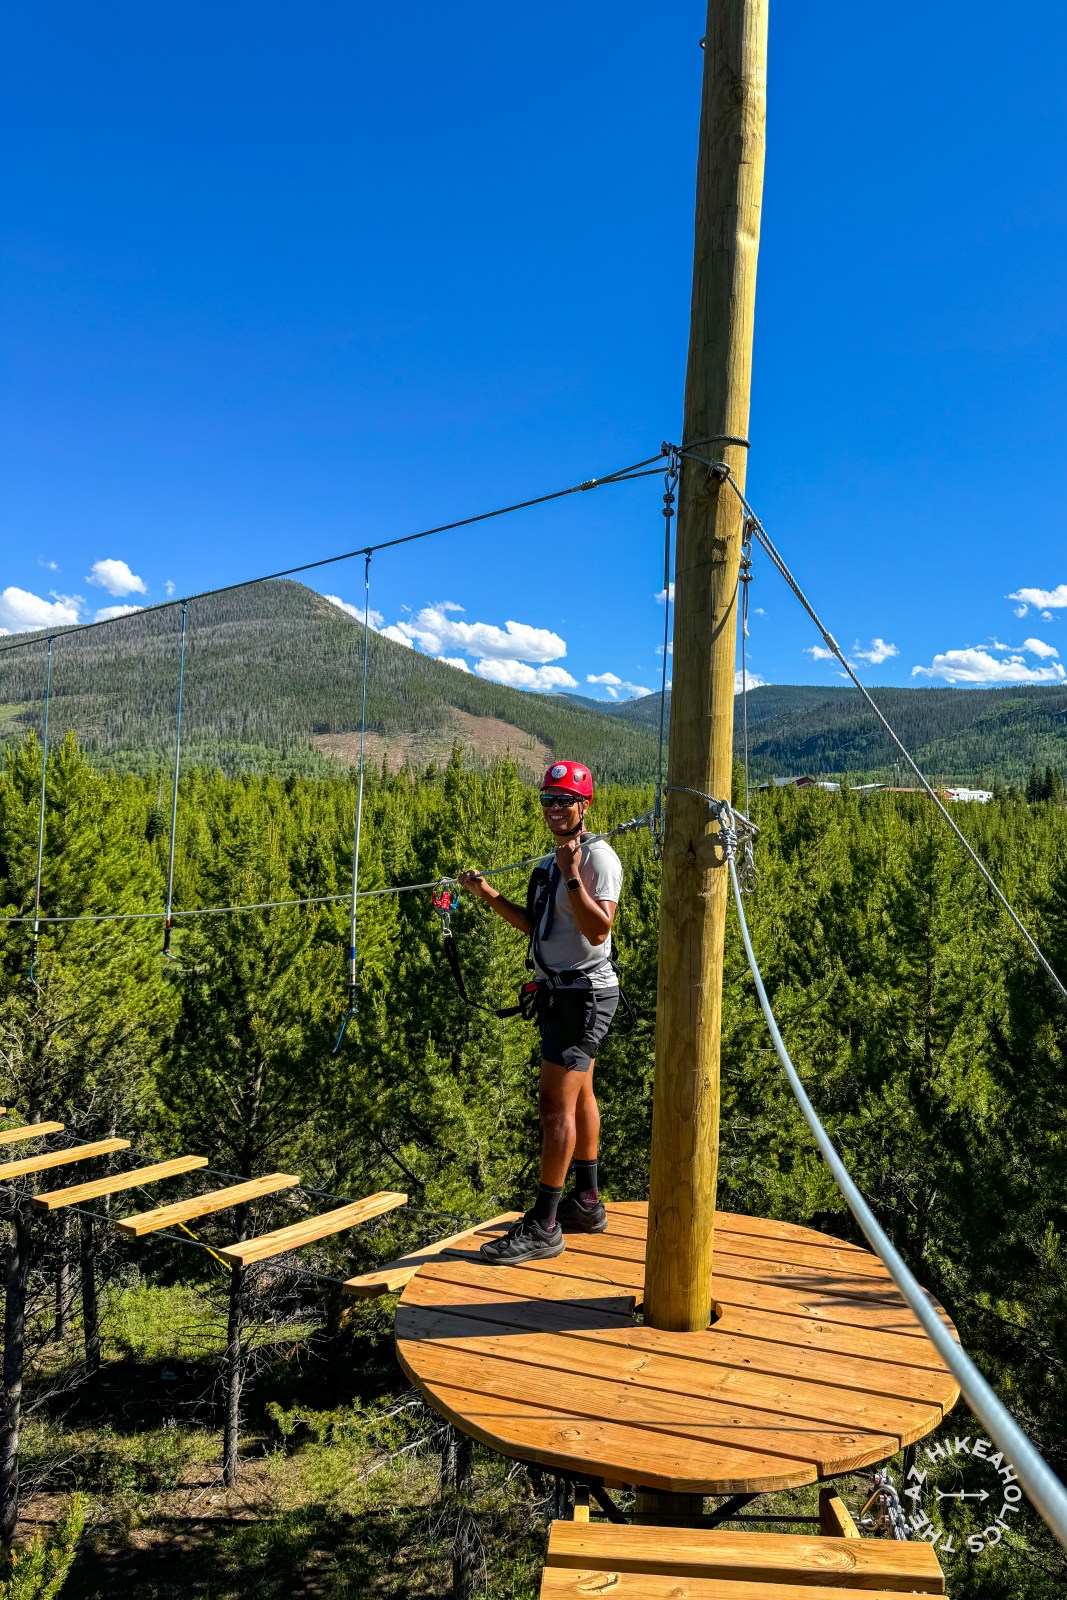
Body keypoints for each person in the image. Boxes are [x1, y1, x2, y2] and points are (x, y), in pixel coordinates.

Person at [457, 760, 623, 1264]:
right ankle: (586, 1202)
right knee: (580, 1094)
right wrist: (488, 895)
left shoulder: (597, 859)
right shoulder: (552, 862)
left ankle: (545, 1225)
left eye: (564, 800)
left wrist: (572, 875)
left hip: (582, 995)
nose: (554, 808)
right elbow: (540, 927)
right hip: (564, 992)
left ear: (585, 805)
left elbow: (598, 929)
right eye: (548, 799)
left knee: (554, 1105)